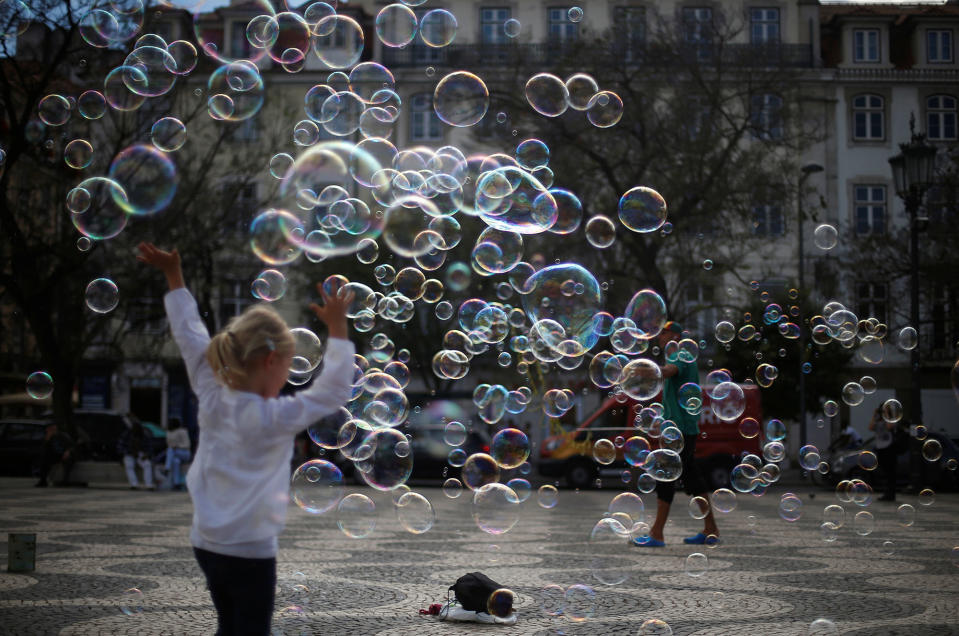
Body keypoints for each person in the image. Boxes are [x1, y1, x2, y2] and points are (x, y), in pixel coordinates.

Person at [137, 242, 355, 636]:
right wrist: (338, 327)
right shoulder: (276, 416)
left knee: (228, 625)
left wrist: (174, 277)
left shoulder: (212, 393)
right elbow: (333, 391)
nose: (287, 379)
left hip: (206, 543)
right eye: (287, 368)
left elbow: (189, 334)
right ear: (270, 361)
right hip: (251, 552)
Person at [633, 321, 719, 547]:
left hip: (679, 429)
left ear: (675, 336)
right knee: (692, 479)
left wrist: (642, 370)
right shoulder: (676, 355)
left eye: (664, 332)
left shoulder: (682, 353)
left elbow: (669, 371)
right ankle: (710, 529)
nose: (659, 336)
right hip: (678, 428)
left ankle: (656, 533)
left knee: (665, 475)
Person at [869, 406, 897, 501]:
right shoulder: (877, 420)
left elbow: (889, 427)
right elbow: (870, 427)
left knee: (890, 473)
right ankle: (886, 493)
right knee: (884, 472)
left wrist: (886, 414)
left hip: (889, 449)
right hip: (880, 449)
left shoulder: (891, 420)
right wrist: (874, 414)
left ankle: (890, 494)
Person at [35, 422, 75, 487]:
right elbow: (44, 449)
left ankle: (65, 481)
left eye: (52, 428)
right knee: (44, 459)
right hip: (55, 455)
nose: (50, 430)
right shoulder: (48, 437)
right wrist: (47, 439)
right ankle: (43, 480)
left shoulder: (62, 435)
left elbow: (71, 446)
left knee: (68, 461)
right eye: (49, 429)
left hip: (65, 454)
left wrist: (67, 452)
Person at [118, 419, 155, 490]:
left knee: (147, 464)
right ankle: (134, 485)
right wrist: (127, 452)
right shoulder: (127, 434)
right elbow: (120, 446)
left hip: (141, 454)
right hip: (129, 454)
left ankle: (149, 485)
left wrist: (147, 454)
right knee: (129, 465)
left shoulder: (144, 435)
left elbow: (150, 447)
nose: (136, 429)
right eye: (134, 427)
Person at [164, 418, 191, 491]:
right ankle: (177, 484)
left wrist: (178, 446)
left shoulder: (183, 431)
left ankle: (167, 468)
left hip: (184, 453)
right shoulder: (168, 432)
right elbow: (168, 444)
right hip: (174, 454)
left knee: (170, 450)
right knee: (176, 461)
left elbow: (187, 444)